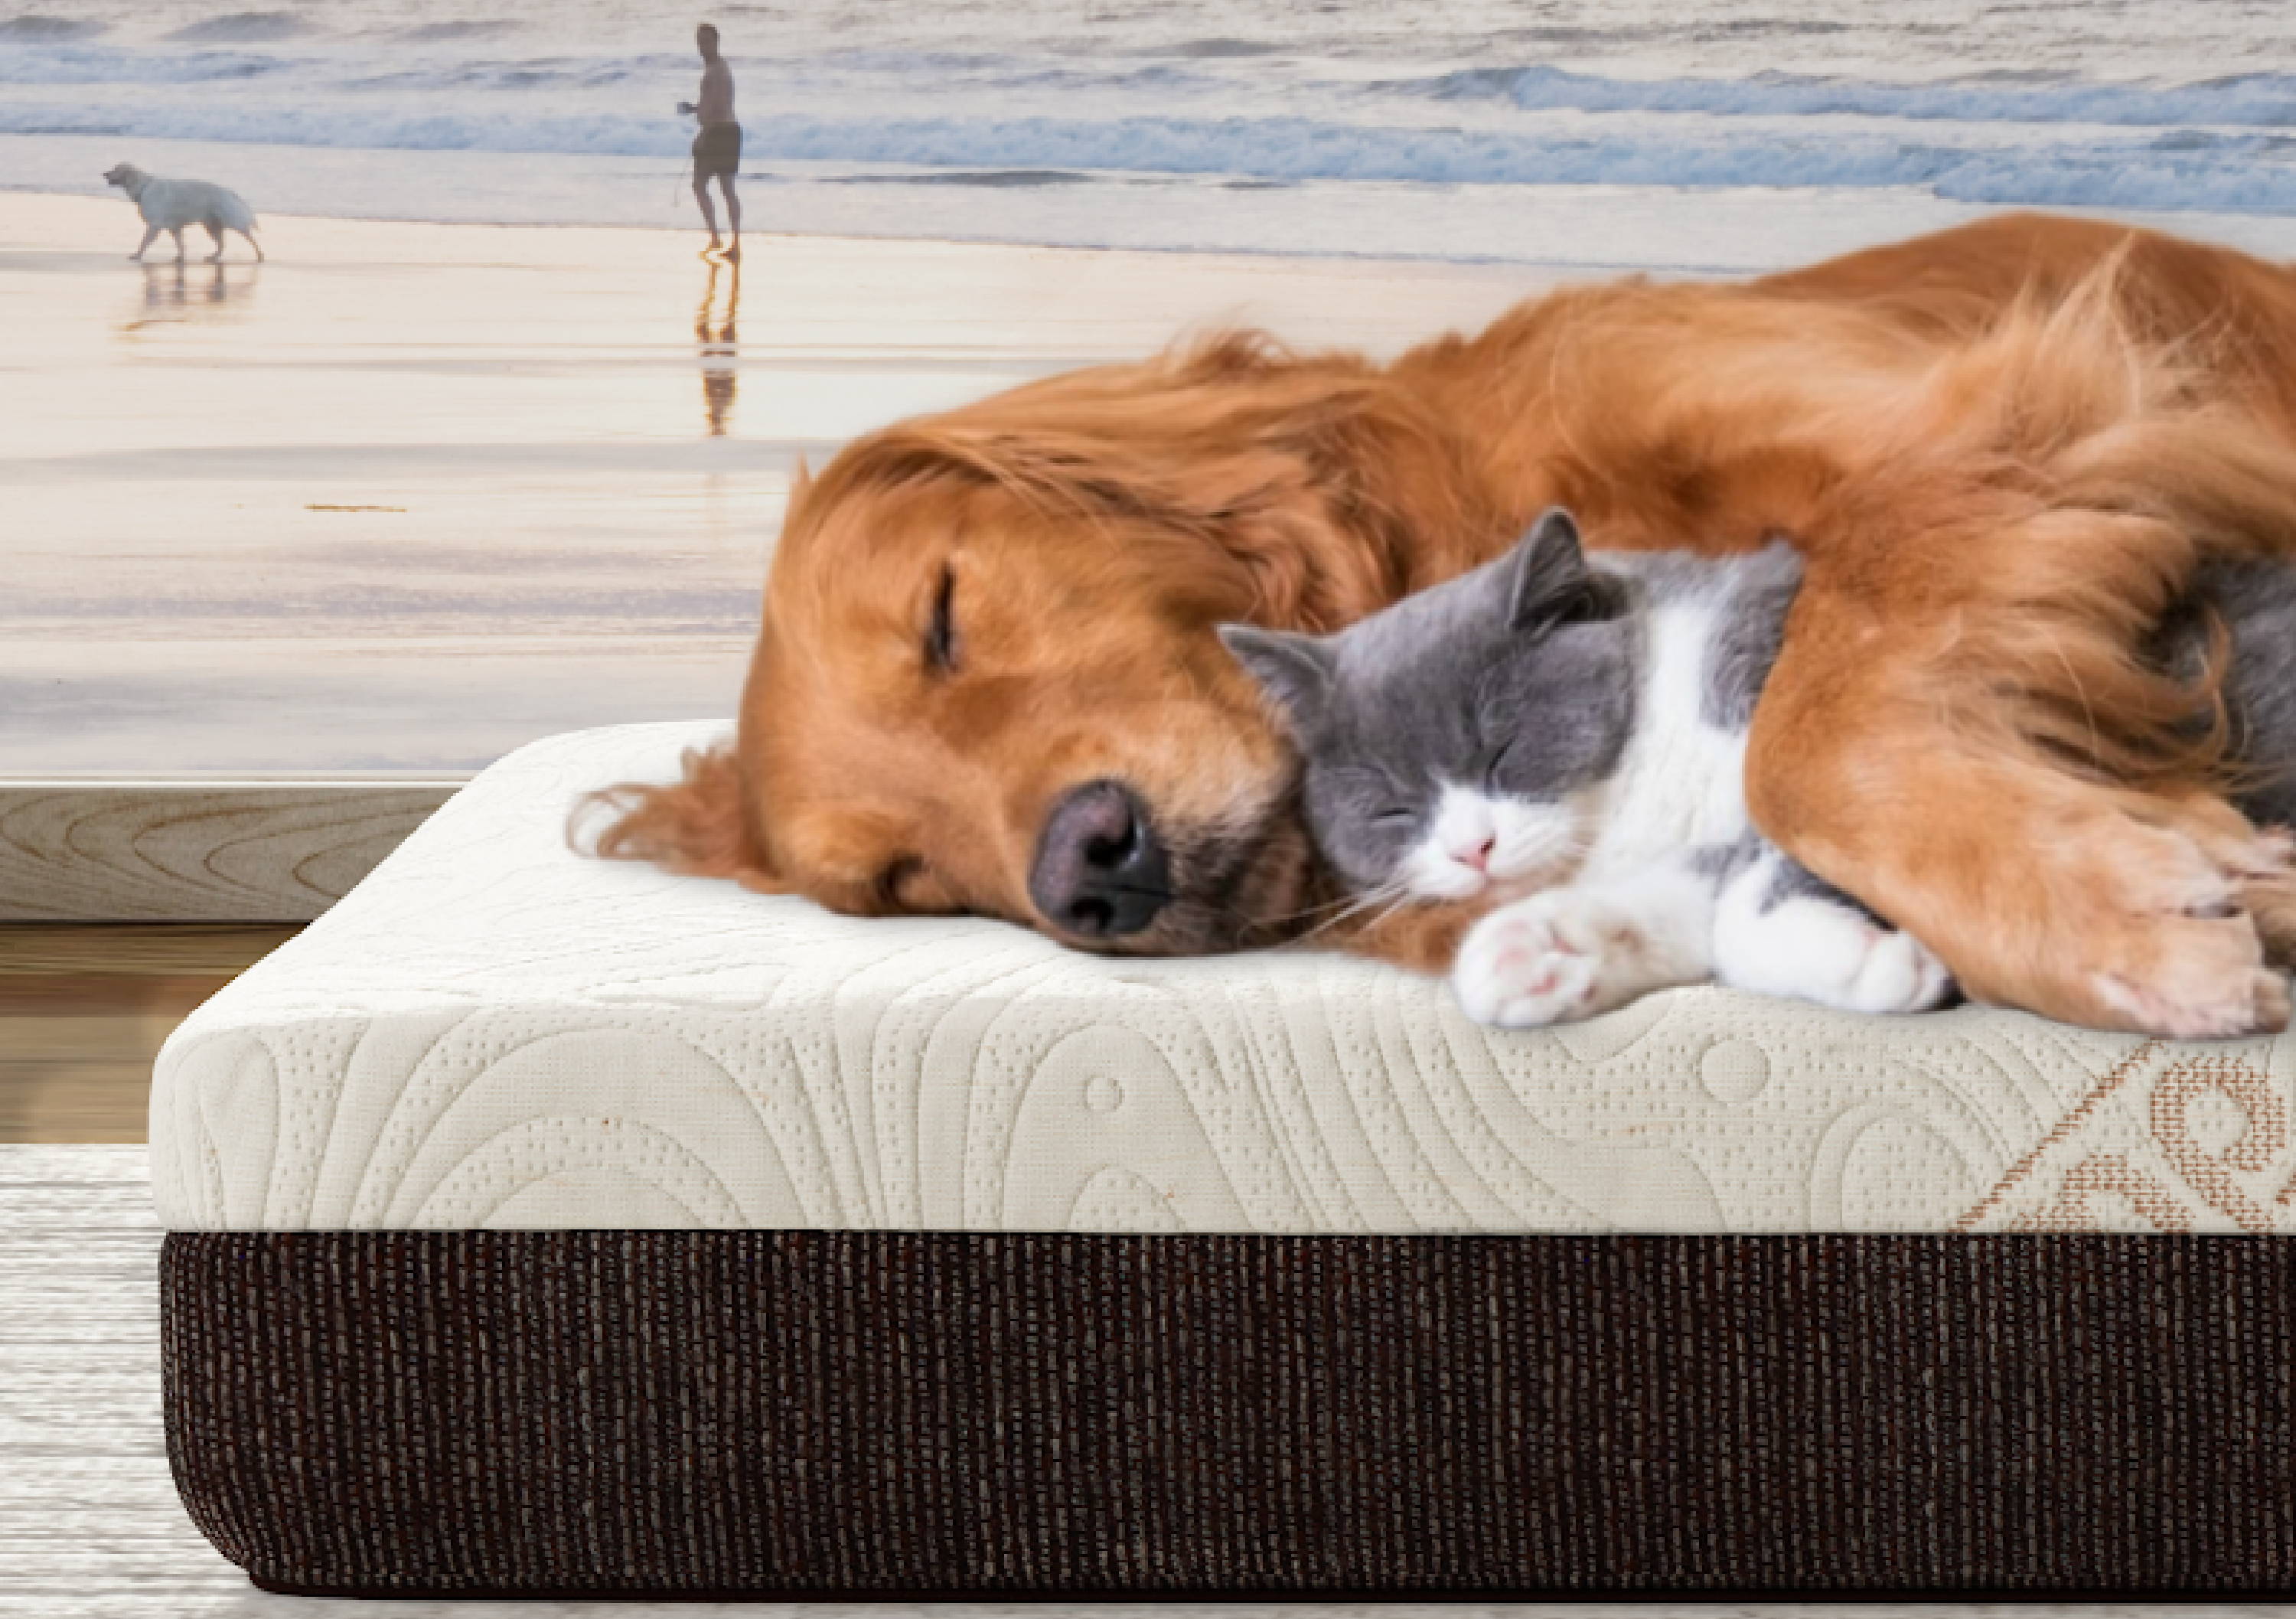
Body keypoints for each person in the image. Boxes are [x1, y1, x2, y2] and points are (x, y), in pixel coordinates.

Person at [677, 23, 740, 260]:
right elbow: (712, 104)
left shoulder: (717, 71)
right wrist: (694, 109)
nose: (702, 47)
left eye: (706, 42)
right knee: (720, 188)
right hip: (725, 130)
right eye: (699, 42)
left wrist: (703, 133)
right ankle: (724, 239)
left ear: (717, 42)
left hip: (719, 133)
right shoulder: (716, 68)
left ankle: (724, 239)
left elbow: (717, 107)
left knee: (708, 186)